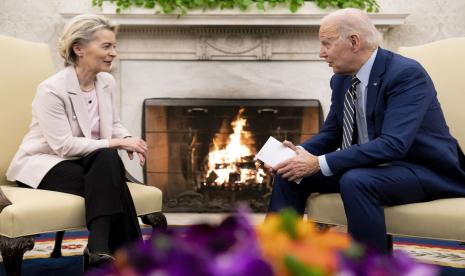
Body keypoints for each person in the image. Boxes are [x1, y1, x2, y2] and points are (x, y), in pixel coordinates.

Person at [267, 8, 465, 253]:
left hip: (424, 170)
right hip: (373, 168)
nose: (321, 53)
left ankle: (370, 267)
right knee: (290, 175)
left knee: (357, 180)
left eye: (326, 43)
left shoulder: (406, 74)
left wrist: (318, 163)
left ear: (353, 42)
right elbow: (332, 134)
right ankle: (274, 258)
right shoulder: (340, 79)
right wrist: (296, 156)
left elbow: (393, 144)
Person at [5, 14, 148, 268]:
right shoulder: (51, 90)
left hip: (90, 164)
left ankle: (99, 252)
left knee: (106, 162)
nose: (114, 53)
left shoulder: (106, 82)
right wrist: (114, 143)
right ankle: (129, 258)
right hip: (44, 165)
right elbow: (64, 146)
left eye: (114, 46)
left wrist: (127, 138)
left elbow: (113, 125)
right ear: (79, 48)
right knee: (110, 171)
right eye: (106, 46)